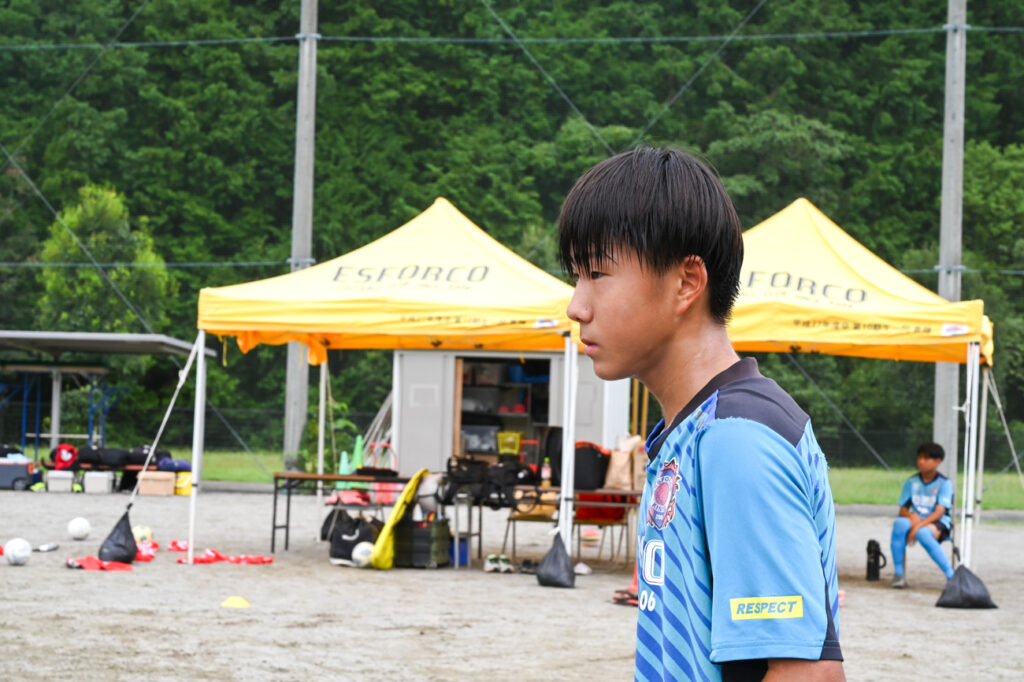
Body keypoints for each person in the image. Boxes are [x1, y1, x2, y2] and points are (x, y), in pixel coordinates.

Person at [559, 146, 844, 682]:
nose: (577, 305)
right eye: (576, 276)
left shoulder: (737, 438)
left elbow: (807, 675)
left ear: (687, 283)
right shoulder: (690, 431)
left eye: (597, 273)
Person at [890, 442, 955, 588]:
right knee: (900, 523)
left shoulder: (944, 483)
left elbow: (939, 512)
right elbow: (903, 509)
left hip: (938, 522)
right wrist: (911, 517)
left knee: (923, 533)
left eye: (926, 458)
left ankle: (951, 576)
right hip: (917, 520)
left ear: (938, 461)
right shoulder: (911, 482)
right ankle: (899, 574)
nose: (921, 461)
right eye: (919, 457)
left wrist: (917, 526)